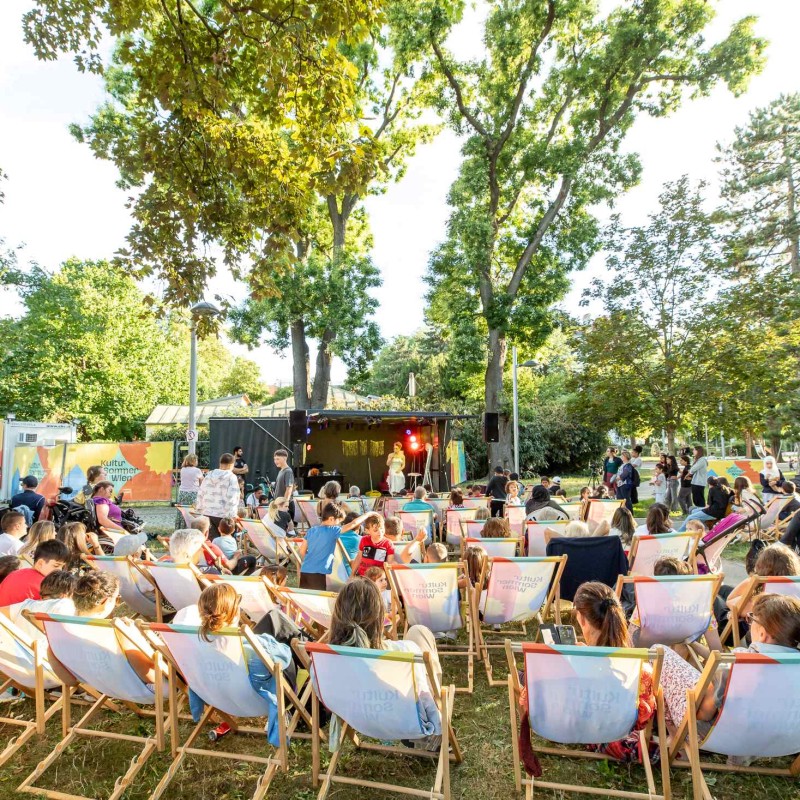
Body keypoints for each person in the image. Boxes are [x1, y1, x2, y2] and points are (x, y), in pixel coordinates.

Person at [320, 579, 443, 746]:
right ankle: (429, 740)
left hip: (358, 718)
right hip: (406, 721)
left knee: (416, 634)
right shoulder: (403, 653)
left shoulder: (324, 658)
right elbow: (424, 697)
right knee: (418, 632)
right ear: (378, 616)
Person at [179, 583, 293, 747]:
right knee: (284, 633)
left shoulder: (192, 645)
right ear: (235, 611)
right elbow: (285, 657)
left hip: (216, 697)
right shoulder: (255, 647)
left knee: (273, 618)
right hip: (259, 701)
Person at [298, 503, 373, 590]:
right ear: (331, 519)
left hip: (305, 570)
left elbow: (302, 551)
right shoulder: (333, 530)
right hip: (318, 573)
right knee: (317, 598)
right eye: (338, 522)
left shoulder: (311, 530)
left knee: (306, 597)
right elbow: (353, 523)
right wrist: (368, 514)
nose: (338, 525)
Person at [726, 543, 800, 620]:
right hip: (788, 626)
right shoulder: (796, 584)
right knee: (725, 589)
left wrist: (752, 581)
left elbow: (730, 601)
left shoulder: (767, 594)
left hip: (760, 627)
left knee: (718, 598)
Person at [351, 512, 425, 578]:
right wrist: (352, 575)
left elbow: (390, 561)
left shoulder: (387, 543)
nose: (380, 532)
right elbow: (358, 558)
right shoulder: (364, 540)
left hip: (377, 578)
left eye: (382, 529)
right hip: (362, 575)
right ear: (367, 531)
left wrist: (400, 568)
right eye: (375, 530)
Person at [0, 540, 70, 607]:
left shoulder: (16, 573)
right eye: (56, 565)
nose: (60, 570)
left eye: (62, 566)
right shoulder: (45, 586)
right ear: (40, 563)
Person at [195, 453, 241, 538]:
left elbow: (201, 492)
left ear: (220, 463)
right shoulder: (231, 477)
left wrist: (199, 510)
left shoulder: (209, 475)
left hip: (207, 513)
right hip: (224, 515)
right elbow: (233, 497)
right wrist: (232, 515)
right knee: (225, 541)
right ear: (232, 464)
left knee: (211, 541)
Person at [176, 453, 204, 527]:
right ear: (194, 461)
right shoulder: (197, 470)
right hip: (193, 493)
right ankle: (193, 526)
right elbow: (202, 482)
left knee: (183, 511)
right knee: (193, 511)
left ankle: (181, 526)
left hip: (182, 493)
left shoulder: (183, 469)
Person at [273, 449, 296, 520]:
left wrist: (285, 503)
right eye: (275, 459)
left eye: (278, 459)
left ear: (284, 458)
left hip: (285, 506)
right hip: (280, 505)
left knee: (287, 529)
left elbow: (289, 488)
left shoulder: (288, 471)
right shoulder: (281, 471)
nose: (276, 461)